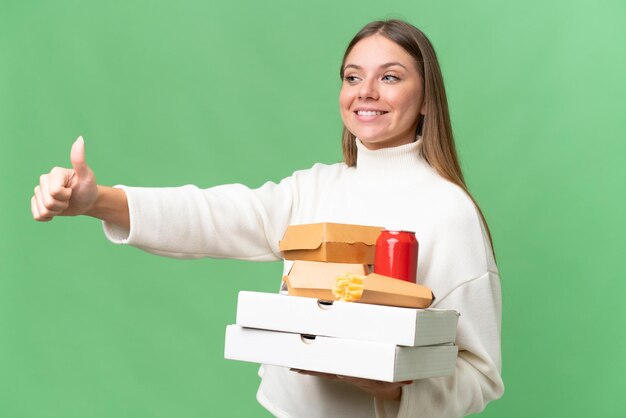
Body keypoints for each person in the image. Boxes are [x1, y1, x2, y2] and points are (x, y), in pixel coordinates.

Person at [31, 19, 504, 418]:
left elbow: (479, 375)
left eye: (391, 77)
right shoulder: (315, 187)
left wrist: (395, 390)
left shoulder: (448, 211)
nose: (366, 93)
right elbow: (213, 214)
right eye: (353, 76)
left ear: (426, 100)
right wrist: (97, 201)